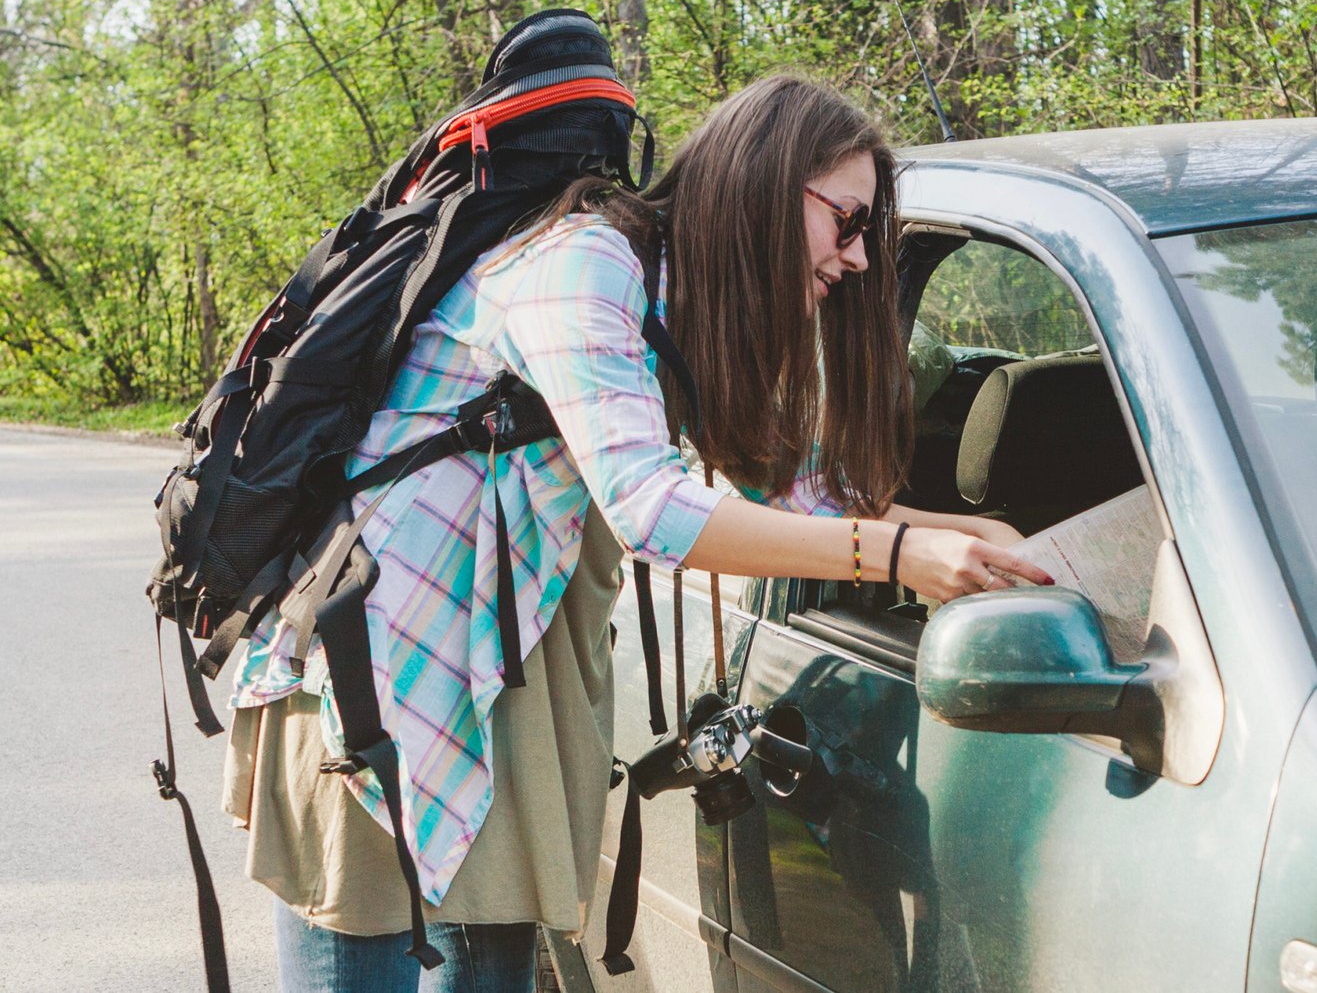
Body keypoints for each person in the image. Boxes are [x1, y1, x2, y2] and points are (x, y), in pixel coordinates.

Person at [222, 73, 1052, 992]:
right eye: (846, 221)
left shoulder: (680, 308)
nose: (857, 259)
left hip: (482, 688)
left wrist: (1002, 545)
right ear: (768, 187)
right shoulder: (587, 264)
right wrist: (898, 556)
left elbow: (800, 493)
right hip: (371, 682)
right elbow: (650, 509)